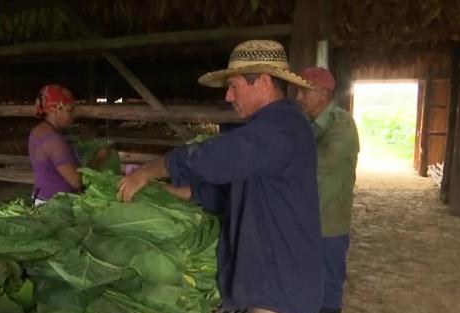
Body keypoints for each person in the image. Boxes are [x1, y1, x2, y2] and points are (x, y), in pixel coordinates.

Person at [118, 40, 323, 313]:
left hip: (278, 288)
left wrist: (147, 171)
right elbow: (230, 195)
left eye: (234, 86)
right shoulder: (269, 131)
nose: (228, 96)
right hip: (271, 284)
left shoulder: (281, 129)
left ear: (263, 83)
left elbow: (210, 158)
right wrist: (164, 192)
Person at [296, 67, 360, 313]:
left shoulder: (343, 125)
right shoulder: (307, 123)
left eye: (303, 92)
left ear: (322, 93)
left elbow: (317, 162)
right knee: (307, 280)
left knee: (330, 285)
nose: (298, 98)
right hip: (306, 219)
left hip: (329, 223)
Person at [29, 84, 108, 205]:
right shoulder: (53, 139)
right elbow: (77, 181)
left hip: (42, 198)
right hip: (54, 206)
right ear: (56, 110)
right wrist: (99, 158)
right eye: (69, 110)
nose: (73, 116)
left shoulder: (38, 131)